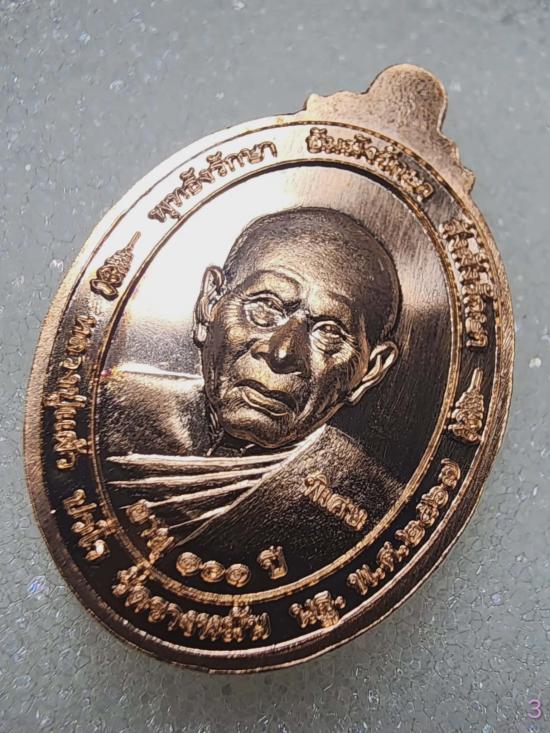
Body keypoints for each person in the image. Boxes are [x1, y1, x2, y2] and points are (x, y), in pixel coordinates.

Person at [100, 207, 403, 585]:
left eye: (328, 331)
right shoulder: (109, 410)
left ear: (371, 369)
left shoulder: (375, 505)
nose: (281, 352)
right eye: (265, 307)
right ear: (209, 302)